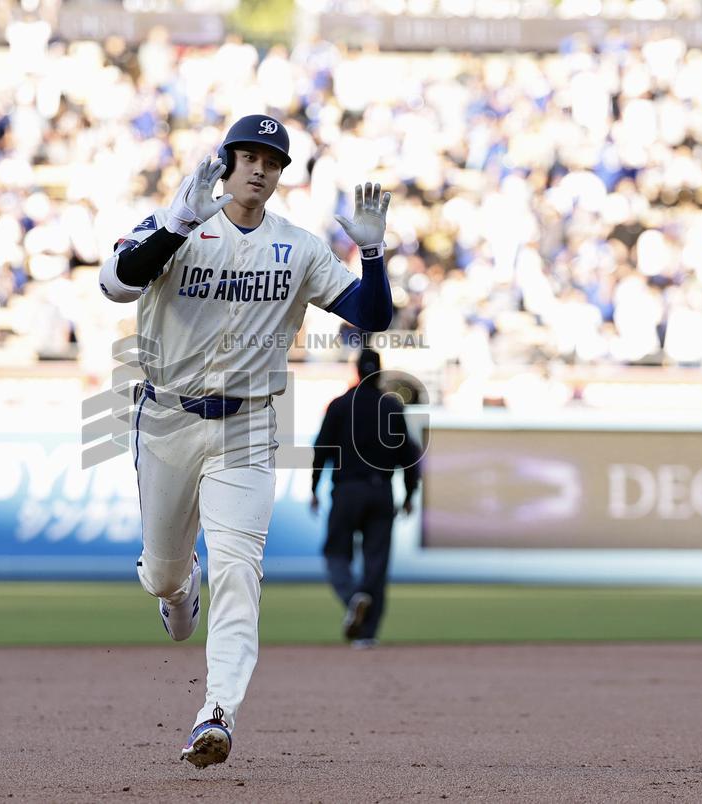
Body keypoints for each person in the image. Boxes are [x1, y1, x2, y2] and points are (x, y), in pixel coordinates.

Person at [99, 114, 394, 767]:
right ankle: (180, 588)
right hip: (168, 417)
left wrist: (373, 256)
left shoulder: (298, 246)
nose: (260, 169)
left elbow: (371, 317)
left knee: (240, 568)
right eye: (249, 156)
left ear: (282, 173)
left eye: (273, 160)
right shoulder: (176, 222)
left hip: (250, 423)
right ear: (227, 162)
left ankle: (217, 713)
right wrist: (177, 225)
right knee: (162, 574)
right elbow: (115, 283)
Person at [311, 348, 421, 649]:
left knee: (335, 554)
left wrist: (313, 488)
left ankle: (352, 598)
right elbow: (409, 456)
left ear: (357, 371)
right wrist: (410, 493)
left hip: (347, 490)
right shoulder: (391, 407)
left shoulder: (339, 405)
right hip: (381, 490)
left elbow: (321, 450)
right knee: (376, 562)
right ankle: (367, 633)